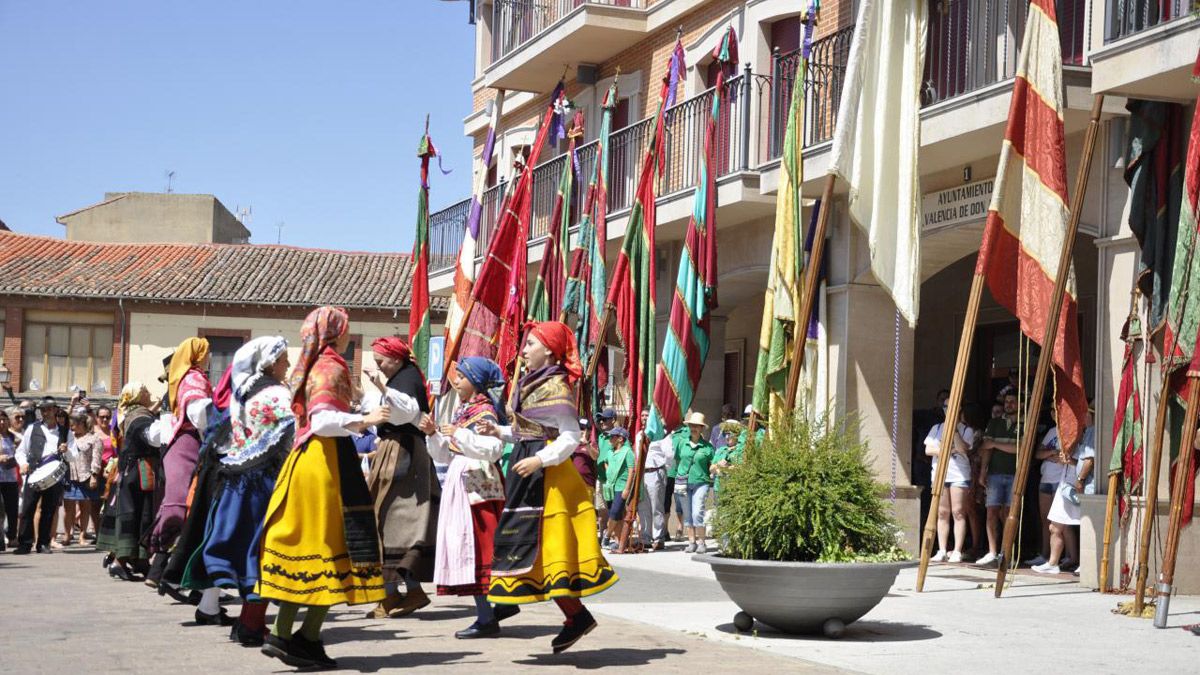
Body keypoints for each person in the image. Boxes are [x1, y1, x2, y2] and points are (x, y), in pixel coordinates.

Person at [257, 306, 389, 669]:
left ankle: (298, 636)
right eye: (345, 330)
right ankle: (294, 636)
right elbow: (323, 420)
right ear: (336, 333)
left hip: (312, 461)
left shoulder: (315, 364)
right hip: (324, 464)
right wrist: (365, 419)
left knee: (315, 553)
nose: (348, 335)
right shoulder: (331, 365)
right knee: (330, 551)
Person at [477, 321, 617, 654]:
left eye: (530, 345)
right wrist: (498, 431)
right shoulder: (530, 383)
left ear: (549, 351)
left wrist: (541, 460)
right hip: (530, 473)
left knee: (550, 551)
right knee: (533, 551)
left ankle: (573, 616)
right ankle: (572, 616)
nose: (523, 350)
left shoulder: (556, 387)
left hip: (551, 479)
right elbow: (531, 431)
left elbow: (570, 437)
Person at [193, 336, 295, 646]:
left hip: (237, 483)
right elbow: (298, 428)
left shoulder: (244, 392)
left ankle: (247, 622)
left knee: (250, 550)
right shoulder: (277, 394)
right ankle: (251, 624)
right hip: (265, 481)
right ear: (268, 362)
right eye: (283, 360)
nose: (287, 365)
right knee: (265, 551)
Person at [421, 357, 510, 639]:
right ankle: (494, 610)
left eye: (460, 376)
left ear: (475, 380)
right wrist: (434, 434)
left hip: (477, 487)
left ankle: (492, 613)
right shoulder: (464, 411)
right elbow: (446, 453)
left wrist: (458, 434)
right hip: (463, 483)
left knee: (478, 548)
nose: (455, 381)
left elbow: (494, 448)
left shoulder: (484, 412)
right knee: (471, 548)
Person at [362, 336, 434, 620]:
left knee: (391, 521)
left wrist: (381, 386)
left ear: (396, 357)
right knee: (388, 521)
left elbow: (409, 412)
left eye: (381, 359)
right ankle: (395, 593)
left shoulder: (405, 379)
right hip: (397, 450)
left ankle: (397, 594)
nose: (377, 365)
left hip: (402, 454)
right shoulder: (404, 377)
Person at [166, 367, 235, 618]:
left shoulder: (216, 405)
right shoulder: (229, 406)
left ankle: (207, 603)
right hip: (226, 477)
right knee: (221, 537)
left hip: (214, 472)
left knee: (210, 534)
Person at [146, 337, 213, 586]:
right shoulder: (193, 377)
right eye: (206, 353)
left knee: (182, 503)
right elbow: (199, 413)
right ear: (196, 355)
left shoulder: (186, 377)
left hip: (185, 443)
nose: (209, 358)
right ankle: (171, 575)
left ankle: (163, 573)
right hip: (188, 443)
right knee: (185, 504)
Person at [97, 382, 166, 579]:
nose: (149, 393)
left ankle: (141, 560)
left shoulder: (133, 412)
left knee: (143, 514)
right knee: (137, 514)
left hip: (136, 473)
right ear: (137, 395)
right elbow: (152, 437)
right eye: (145, 391)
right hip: (138, 474)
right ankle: (120, 562)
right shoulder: (139, 416)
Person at [1035, 407, 1096, 576]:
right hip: (1066, 484)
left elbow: (1089, 460)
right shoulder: (1082, 432)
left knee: (1088, 525)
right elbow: (1079, 461)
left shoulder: (1092, 432)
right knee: (1055, 525)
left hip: (1078, 485)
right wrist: (1069, 460)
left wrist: (1080, 480)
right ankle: (1053, 563)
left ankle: (1087, 563)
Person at [14, 397, 73, 554]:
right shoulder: (32, 428)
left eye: (48, 409)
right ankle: (25, 544)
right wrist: (23, 464)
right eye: (43, 409)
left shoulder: (66, 432)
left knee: (48, 510)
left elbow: (73, 457)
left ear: (55, 410)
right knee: (27, 509)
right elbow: (20, 451)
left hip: (54, 477)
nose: (45, 412)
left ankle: (43, 544)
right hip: (33, 473)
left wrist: (66, 450)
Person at [924, 405, 976, 563]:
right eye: (945, 406)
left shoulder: (966, 430)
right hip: (940, 473)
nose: (948, 409)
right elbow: (928, 450)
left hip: (959, 474)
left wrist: (954, 430)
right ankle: (942, 549)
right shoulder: (937, 427)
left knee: (959, 512)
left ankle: (957, 550)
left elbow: (962, 448)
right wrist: (949, 450)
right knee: (942, 513)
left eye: (951, 406)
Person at [976, 392, 1020, 567]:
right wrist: (983, 471)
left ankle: (1008, 552)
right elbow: (986, 448)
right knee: (991, 512)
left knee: (1009, 514)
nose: (1008, 404)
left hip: (1015, 474)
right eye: (1007, 401)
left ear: (1021, 405)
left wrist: (995, 444)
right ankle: (993, 552)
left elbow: (1020, 448)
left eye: (1012, 402)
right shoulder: (994, 422)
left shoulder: (1025, 424)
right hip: (994, 474)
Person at [674, 412, 715, 553]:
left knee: (698, 512)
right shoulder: (682, 444)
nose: (694, 428)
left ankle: (702, 542)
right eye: (692, 425)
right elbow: (678, 459)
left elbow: (712, 464)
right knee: (688, 512)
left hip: (701, 482)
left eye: (697, 426)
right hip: (683, 482)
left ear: (702, 428)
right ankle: (691, 542)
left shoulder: (708, 448)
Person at [61, 411, 103, 546]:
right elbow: (66, 457)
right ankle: (67, 535)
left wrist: (94, 476)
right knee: (68, 508)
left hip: (86, 476)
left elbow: (96, 459)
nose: (71, 427)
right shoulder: (68, 438)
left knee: (85, 507)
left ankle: (82, 536)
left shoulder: (94, 438)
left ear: (81, 424)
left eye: (73, 425)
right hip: (69, 475)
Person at [1027, 423, 1066, 567]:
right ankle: (1044, 555)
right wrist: (1051, 453)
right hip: (1046, 479)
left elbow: (1065, 455)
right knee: (1045, 519)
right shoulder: (1051, 430)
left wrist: (1048, 453)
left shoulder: (1071, 429)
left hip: (1060, 480)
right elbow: (1038, 454)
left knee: (1060, 522)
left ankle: (1066, 557)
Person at [637, 412, 674, 551]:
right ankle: (646, 538)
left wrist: (663, 469)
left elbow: (669, 455)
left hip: (655, 472)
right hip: (642, 473)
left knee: (656, 507)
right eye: (643, 415)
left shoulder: (662, 435)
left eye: (647, 415)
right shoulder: (639, 434)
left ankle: (658, 538)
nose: (645, 418)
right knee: (643, 507)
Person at [598, 426, 635, 551]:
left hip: (621, 487)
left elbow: (631, 471)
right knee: (616, 516)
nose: (610, 438)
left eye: (612, 436)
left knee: (614, 513)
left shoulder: (627, 452)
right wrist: (609, 472)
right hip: (610, 487)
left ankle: (607, 537)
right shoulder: (610, 452)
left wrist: (627, 488)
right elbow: (605, 461)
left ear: (620, 439)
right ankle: (619, 541)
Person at [593, 408, 617, 546]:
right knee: (601, 510)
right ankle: (602, 536)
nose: (601, 422)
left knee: (613, 509)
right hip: (600, 478)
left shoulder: (618, 437)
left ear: (613, 420)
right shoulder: (601, 437)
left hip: (612, 479)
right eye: (600, 419)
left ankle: (612, 536)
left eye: (604, 419)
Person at [668, 424, 691, 541]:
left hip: (680, 472)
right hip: (666, 472)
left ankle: (680, 526)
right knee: (665, 503)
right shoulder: (663, 429)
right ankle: (664, 531)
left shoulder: (686, 431)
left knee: (679, 501)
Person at [0, 410, 19, 549]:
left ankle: (12, 536)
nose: (2, 422)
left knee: (12, 509)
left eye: (4, 419)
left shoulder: (13, 437)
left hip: (11, 478)